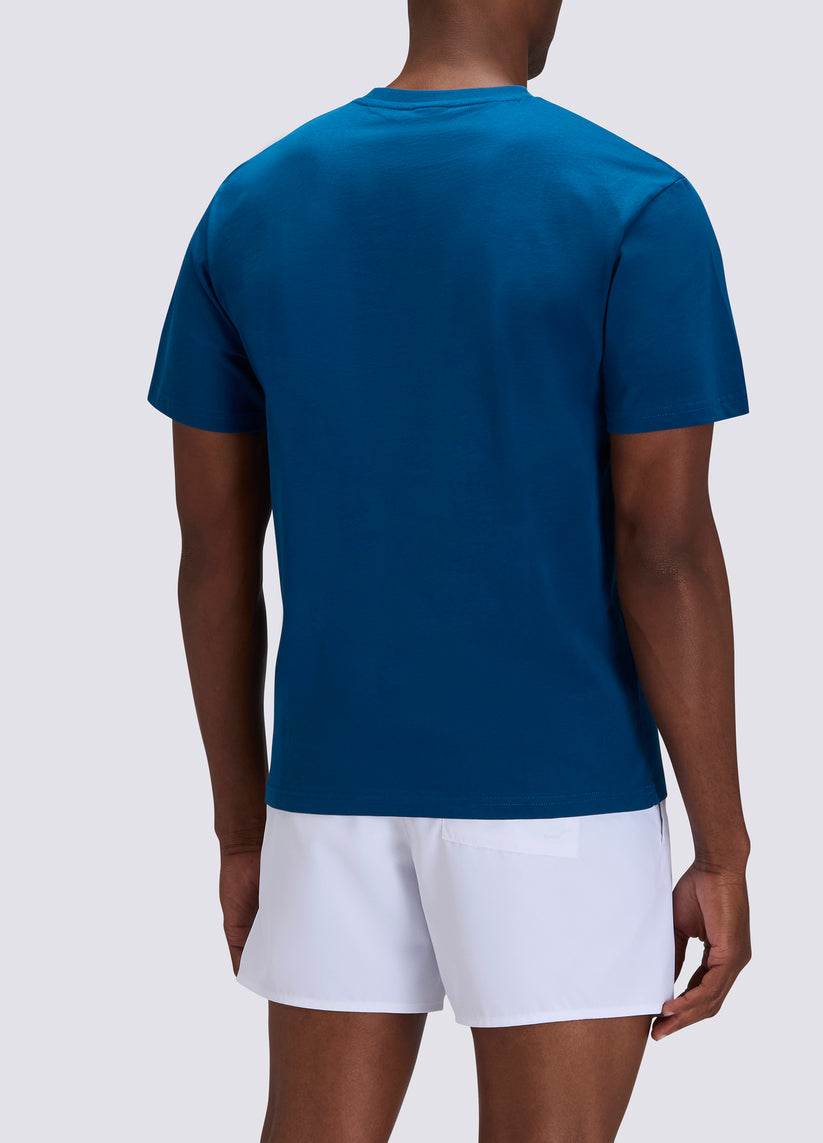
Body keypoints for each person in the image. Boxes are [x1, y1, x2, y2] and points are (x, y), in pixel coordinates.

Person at [146, 0, 753, 1138]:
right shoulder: (634, 202)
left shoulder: (253, 202)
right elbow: (663, 546)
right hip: (562, 795)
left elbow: (214, 552)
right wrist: (723, 846)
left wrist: (241, 828)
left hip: (327, 789)